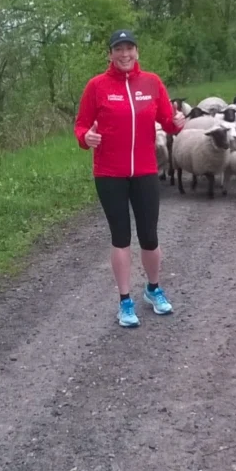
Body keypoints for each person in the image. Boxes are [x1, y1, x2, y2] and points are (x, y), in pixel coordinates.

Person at [74, 29, 187, 328]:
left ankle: (153, 289)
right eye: (118, 49)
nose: (125, 54)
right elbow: (82, 126)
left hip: (146, 171)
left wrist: (177, 123)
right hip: (109, 173)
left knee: (149, 236)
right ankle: (125, 301)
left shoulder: (151, 83)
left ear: (137, 52)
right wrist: (87, 137)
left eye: (129, 49)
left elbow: (167, 120)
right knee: (121, 237)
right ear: (110, 54)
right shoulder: (96, 86)